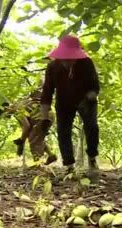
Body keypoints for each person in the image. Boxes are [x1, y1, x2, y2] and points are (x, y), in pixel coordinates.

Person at [41, 35, 100, 180]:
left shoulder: (86, 63)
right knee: (63, 131)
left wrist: (90, 96)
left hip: (85, 99)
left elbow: (95, 86)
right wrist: (44, 118)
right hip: (63, 102)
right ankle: (69, 167)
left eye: (71, 58)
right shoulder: (52, 67)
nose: (68, 61)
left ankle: (92, 159)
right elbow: (47, 92)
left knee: (91, 126)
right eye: (65, 58)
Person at [0, 90, 57, 165]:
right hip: (48, 115)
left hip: (42, 117)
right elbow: (27, 128)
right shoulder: (18, 104)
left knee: (33, 139)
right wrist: (22, 141)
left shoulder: (16, 110)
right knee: (37, 137)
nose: (4, 117)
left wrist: (21, 140)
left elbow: (26, 126)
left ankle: (38, 164)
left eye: (3, 114)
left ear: (6, 108)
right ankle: (50, 155)